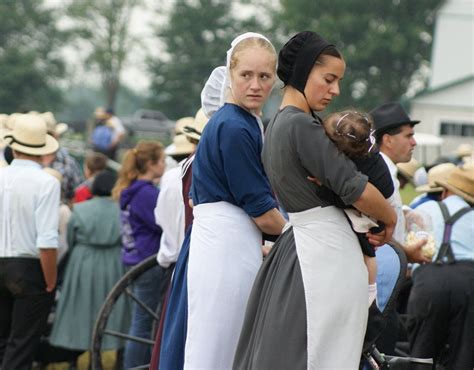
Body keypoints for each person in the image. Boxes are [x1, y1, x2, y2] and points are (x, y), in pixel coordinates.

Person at [233, 31, 396, 369]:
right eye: (329, 79)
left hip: (302, 245)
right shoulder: (302, 126)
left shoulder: (277, 124)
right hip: (323, 255)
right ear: (305, 71)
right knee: (321, 354)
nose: (335, 90)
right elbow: (356, 189)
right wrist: (390, 218)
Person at [184, 32, 287, 370]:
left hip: (227, 242)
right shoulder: (233, 126)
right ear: (230, 74)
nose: (255, 85)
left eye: (264, 76)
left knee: (218, 342)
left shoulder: (237, 121)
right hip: (226, 246)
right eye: (246, 75)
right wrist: (298, 236)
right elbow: (259, 207)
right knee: (221, 343)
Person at [48, 170, 130, 364]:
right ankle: (115, 350)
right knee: (113, 307)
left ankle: (73, 357)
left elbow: (70, 237)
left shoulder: (80, 209)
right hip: (113, 260)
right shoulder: (120, 209)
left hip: (83, 261)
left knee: (80, 307)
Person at [0, 113, 60, 369]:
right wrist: (51, 280)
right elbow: (46, 239)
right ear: (43, 151)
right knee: (22, 345)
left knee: (2, 341)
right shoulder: (46, 182)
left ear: (14, 148)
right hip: (29, 267)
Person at [321, 110, 394, 306]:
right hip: (375, 204)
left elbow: (347, 197)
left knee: (367, 250)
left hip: (367, 213)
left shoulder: (356, 168)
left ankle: (370, 290)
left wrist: (322, 186)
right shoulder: (370, 153)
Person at [406, 165, 474, 368]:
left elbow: (410, 247)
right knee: (463, 355)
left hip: (428, 281)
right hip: (468, 283)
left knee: (422, 354)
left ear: (445, 191)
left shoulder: (424, 209)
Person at [112, 140, 167, 369]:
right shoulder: (146, 193)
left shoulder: (132, 189)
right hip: (148, 260)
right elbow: (162, 222)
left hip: (134, 258)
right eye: (162, 161)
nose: (165, 165)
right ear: (152, 164)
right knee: (143, 324)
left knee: (141, 321)